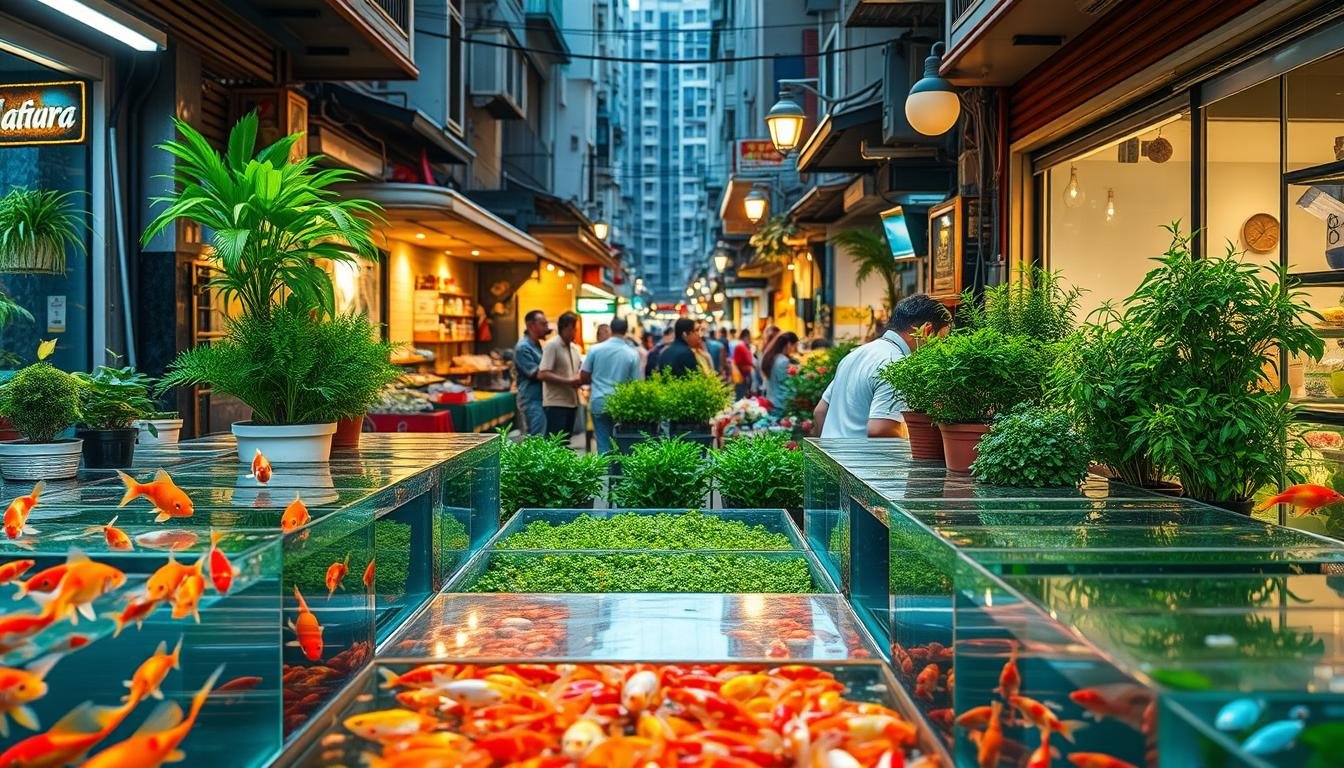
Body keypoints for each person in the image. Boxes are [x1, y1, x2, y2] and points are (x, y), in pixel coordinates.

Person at [813, 294, 952, 438]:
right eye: (942, 340)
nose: (941, 350)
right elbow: (880, 429)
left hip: (832, 456)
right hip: (862, 460)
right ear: (927, 331)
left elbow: (820, 412)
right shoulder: (897, 364)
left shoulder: (856, 354)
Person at [581, 317, 641, 454]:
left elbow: (583, 375)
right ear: (626, 331)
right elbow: (635, 384)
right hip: (621, 405)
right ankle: (616, 474)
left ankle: (605, 474)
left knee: (603, 442)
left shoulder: (595, 349)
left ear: (611, 329)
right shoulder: (632, 353)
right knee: (620, 442)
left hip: (598, 401)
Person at [539, 311, 584, 438]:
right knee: (555, 444)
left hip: (572, 402)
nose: (575, 332)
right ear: (564, 328)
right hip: (556, 403)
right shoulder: (552, 346)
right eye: (573, 329)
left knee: (566, 443)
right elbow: (543, 374)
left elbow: (578, 370)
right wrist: (569, 381)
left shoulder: (575, 348)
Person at [512, 310, 550, 436]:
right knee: (536, 440)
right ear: (530, 325)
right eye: (543, 324)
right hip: (531, 400)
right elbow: (536, 374)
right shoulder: (523, 347)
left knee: (541, 438)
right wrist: (565, 378)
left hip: (540, 398)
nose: (546, 327)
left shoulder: (536, 344)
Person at [759, 331, 800, 414]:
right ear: (788, 344)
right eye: (794, 346)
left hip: (770, 400)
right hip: (780, 403)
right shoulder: (783, 361)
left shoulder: (771, 357)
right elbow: (786, 384)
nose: (794, 350)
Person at [731, 329, 754, 399]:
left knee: (743, 397)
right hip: (741, 378)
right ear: (745, 336)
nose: (750, 339)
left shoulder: (745, 347)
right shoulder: (740, 347)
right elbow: (737, 362)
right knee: (739, 397)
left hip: (745, 378)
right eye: (749, 337)